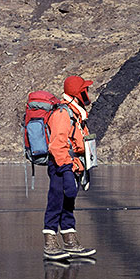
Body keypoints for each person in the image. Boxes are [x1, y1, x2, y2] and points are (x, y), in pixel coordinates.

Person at [42, 75, 97, 260]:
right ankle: (50, 242)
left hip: (71, 165)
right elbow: (57, 145)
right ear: (77, 92)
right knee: (56, 200)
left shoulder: (76, 113)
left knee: (68, 203)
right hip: (61, 165)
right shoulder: (63, 114)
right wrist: (65, 170)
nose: (87, 93)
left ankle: (69, 241)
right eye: (84, 90)